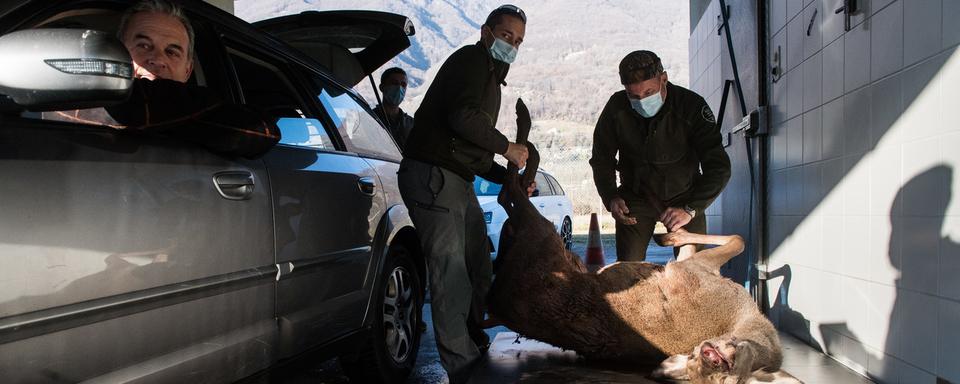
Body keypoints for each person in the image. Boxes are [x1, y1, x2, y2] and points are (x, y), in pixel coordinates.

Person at [398, 4, 529, 383]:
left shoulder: (490, 75)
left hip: (456, 176)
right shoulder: (472, 61)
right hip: (433, 176)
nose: (512, 45)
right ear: (487, 33)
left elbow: (468, 147)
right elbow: (463, 119)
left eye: (518, 41)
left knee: (478, 264)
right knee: (451, 272)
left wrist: (508, 176)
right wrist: (508, 147)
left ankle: (472, 340)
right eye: (507, 36)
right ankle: (463, 366)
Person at [590, 50, 731, 262]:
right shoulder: (616, 108)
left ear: (663, 79)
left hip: (685, 197)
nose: (641, 101)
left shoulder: (691, 107)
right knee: (629, 268)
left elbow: (719, 168)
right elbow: (602, 159)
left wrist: (691, 209)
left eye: (649, 93)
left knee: (692, 271)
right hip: (635, 199)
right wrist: (611, 197)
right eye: (634, 96)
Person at [374, 67, 415, 150]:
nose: (399, 88)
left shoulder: (412, 124)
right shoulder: (369, 118)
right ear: (382, 87)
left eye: (403, 85)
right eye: (394, 83)